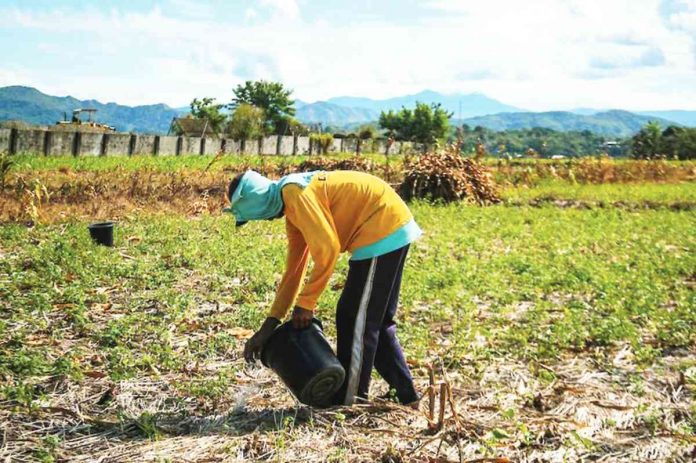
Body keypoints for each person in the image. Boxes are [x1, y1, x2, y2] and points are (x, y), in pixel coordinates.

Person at [229, 169, 422, 407]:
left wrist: (306, 303)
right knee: (374, 321)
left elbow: (328, 249)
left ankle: (351, 399)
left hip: (380, 226)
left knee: (354, 318)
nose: (263, 220)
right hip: (390, 223)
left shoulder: (294, 193)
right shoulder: (292, 205)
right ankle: (407, 396)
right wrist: (270, 323)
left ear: (255, 201)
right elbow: (295, 271)